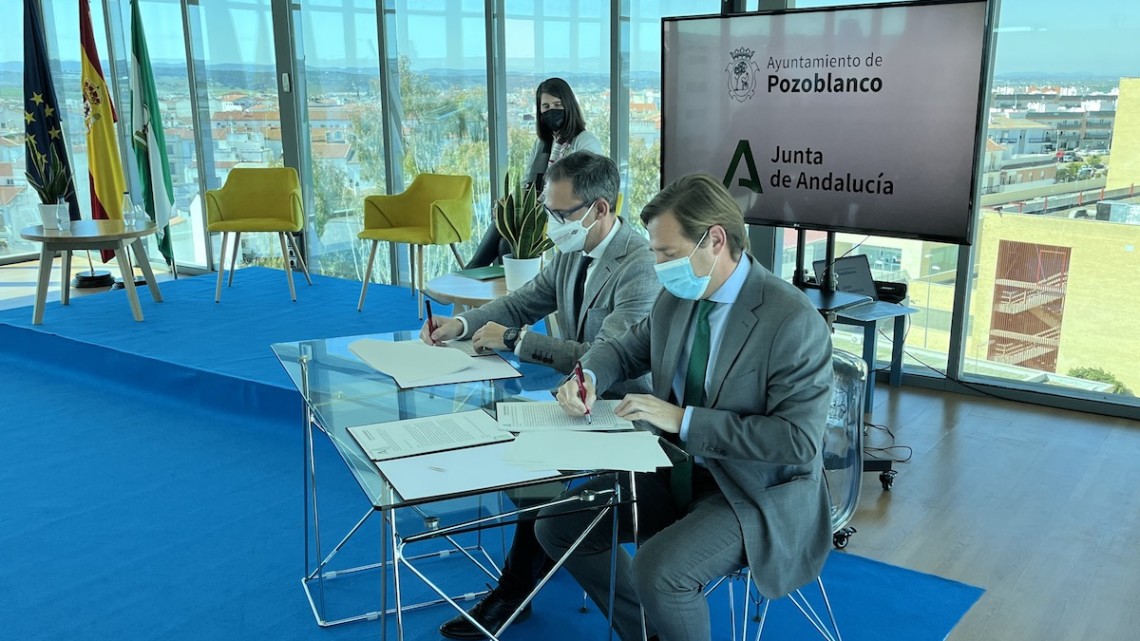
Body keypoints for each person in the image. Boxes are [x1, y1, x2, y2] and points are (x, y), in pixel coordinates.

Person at [535, 174, 835, 641]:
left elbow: (795, 442)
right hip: (674, 468)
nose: (657, 265)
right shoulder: (678, 296)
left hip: (755, 489)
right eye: (655, 252)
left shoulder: (791, 320)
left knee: (659, 571)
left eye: (668, 254)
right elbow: (621, 350)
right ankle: (650, 631)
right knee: (558, 524)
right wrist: (586, 377)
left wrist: (682, 419)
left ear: (716, 240)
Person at [421, 150, 659, 640]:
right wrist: (463, 323)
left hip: (625, 408)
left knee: (537, 478)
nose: (552, 223)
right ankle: (528, 577)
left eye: (560, 213)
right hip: (574, 404)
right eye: (548, 210)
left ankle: (514, 594)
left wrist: (517, 341)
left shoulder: (639, 264)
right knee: (511, 446)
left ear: (599, 209)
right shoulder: (573, 250)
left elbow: (607, 352)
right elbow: (525, 300)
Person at [466, 78, 604, 268]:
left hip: (565, 213)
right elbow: (527, 184)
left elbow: (586, 189)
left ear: (569, 105)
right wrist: (511, 203)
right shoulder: (543, 144)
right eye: (545, 106)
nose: (551, 110)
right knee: (505, 229)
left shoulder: (586, 142)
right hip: (536, 211)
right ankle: (481, 274)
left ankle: (474, 271)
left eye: (557, 104)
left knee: (509, 243)